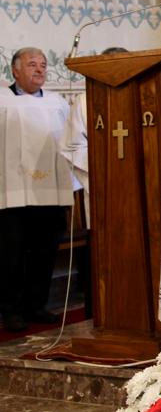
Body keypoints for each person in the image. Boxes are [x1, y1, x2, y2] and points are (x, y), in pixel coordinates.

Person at [0, 48, 71, 331]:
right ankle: (11, 310)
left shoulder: (57, 102)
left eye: (43, 64)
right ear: (15, 70)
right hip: (12, 192)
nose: (40, 69)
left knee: (45, 250)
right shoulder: (2, 100)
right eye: (32, 64)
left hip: (49, 191)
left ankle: (37, 305)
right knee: (12, 253)